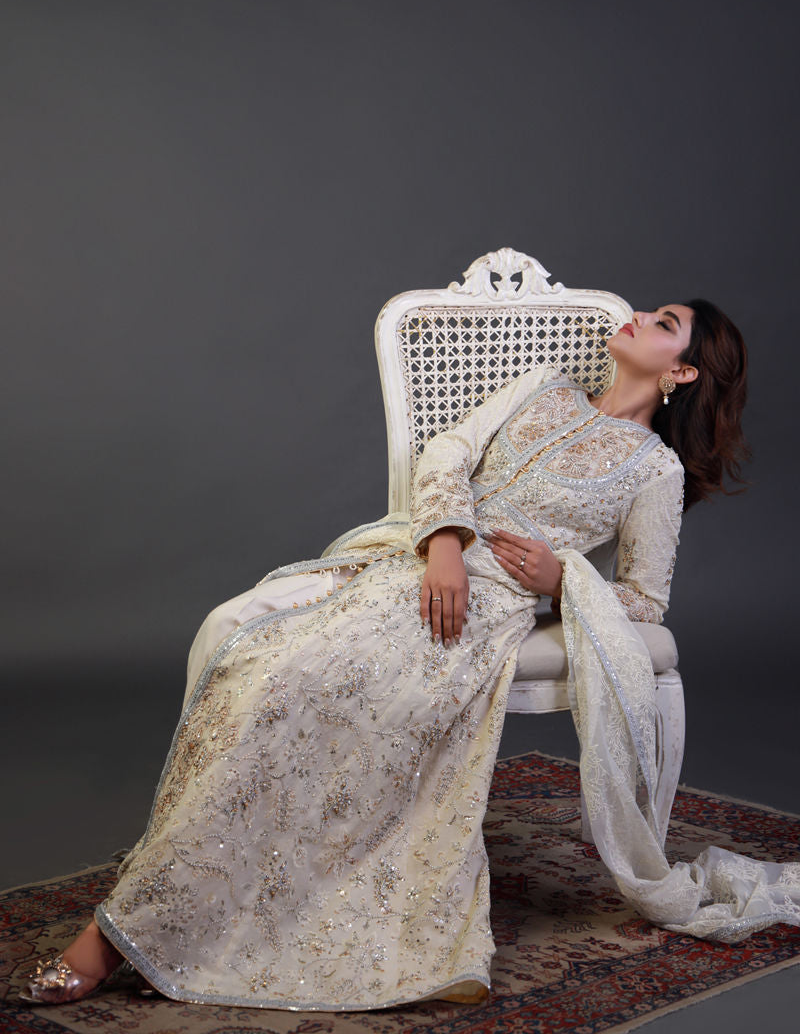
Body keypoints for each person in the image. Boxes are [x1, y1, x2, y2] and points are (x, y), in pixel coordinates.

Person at [20, 299, 799, 1010]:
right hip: (418, 563)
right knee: (257, 666)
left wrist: (563, 581)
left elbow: (645, 604)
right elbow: (449, 452)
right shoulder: (545, 388)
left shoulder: (655, 469)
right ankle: (178, 901)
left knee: (305, 683)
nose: (639, 315)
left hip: (480, 614)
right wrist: (446, 543)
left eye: (663, 323)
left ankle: (120, 935)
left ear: (682, 372)